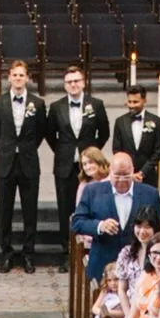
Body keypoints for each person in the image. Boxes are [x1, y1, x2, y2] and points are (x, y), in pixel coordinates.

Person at [0, 57, 46, 273]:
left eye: (22, 75)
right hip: (6, 163)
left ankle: (28, 253)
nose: (18, 78)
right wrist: (8, 149)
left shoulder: (38, 104)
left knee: (30, 211)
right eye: (15, 75)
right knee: (5, 211)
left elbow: (41, 132)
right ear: (8, 77)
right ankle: (7, 253)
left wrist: (27, 148)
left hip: (29, 162)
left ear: (27, 78)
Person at [72, 149, 160, 288]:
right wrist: (100, 226)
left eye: (126, 175)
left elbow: (159, 228)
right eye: (117, 175)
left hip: (138, 266)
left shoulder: (149, 194)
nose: (121, 180)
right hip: (103, 263)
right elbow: (77, 222)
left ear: (133, 170)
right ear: (109, 172)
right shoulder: (93, 191)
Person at [46, 65, 110, 258]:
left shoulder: (96, 104)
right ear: (64, 85)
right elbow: (50, 134)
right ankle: (67, 252)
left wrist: (91, 153)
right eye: (69, 82)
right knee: (66, 208)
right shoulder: (56, 107)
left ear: (83, 83)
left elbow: (104, 132)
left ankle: (88, 249)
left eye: (76, 81)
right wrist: (64, 151)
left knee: (89, 206)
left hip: (89, 167)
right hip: (65, 165)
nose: (73, 85)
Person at [111, 81, 160, 189]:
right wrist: (130, 173)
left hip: (148, 176)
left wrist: (142, 172)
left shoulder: (156, 121)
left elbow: (158, 151)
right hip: (125, 176)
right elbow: (116, 149)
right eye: (129, 102)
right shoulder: (120, 122)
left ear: (144, 101)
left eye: (135, 102)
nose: (131, 105)